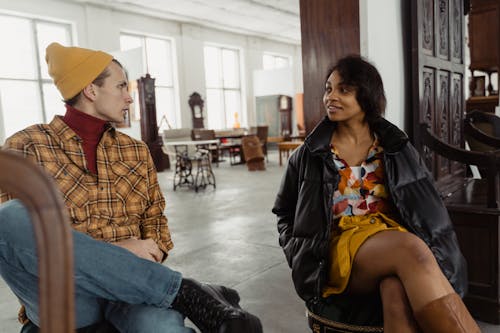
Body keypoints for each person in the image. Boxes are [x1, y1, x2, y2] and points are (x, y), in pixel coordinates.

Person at [0, 42, 262, 333]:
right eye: (122, 86)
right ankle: (185, 291)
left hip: (132, 291)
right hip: (65, 293)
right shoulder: (24, 148)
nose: (129, 98)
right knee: (8, 217)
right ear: (91, 90)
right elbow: (18, 245)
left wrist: (149, 253)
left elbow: (156, 225)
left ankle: (178, 293)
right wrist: (118, 250)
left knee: (163, 327)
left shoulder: (136, 152)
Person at [272, 55, 480, 332]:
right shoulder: (309, 155)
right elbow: (283, 212)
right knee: (412, 251)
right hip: (336, 248)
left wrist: (444, 252)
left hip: (388, 237)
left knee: (394, 290)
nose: (330, 97)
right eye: (328, 88)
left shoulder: (396, 148)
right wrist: (299, 252)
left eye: (343, 89)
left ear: (366, 97)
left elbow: (428, 207)